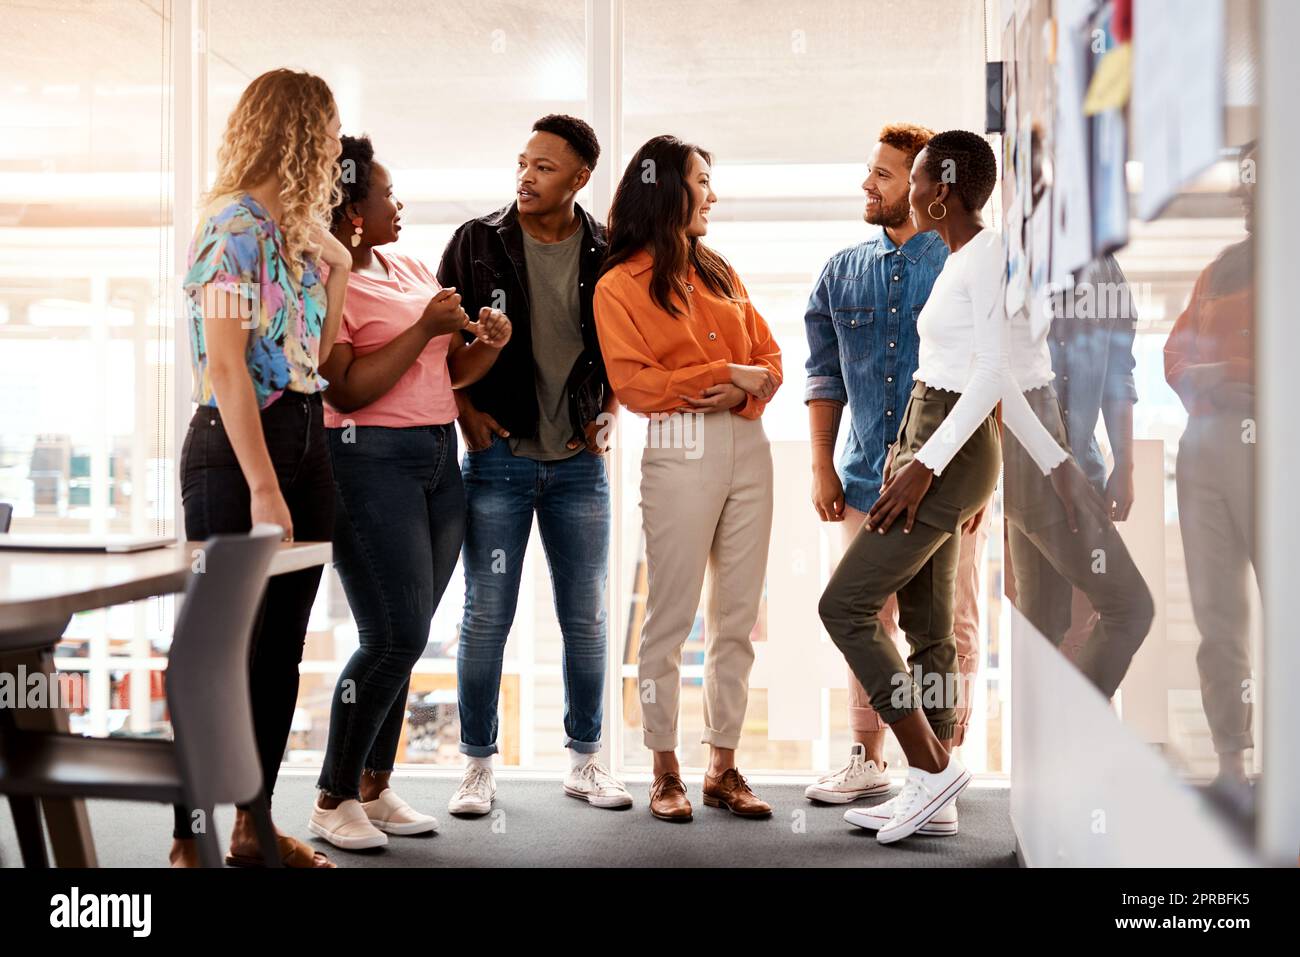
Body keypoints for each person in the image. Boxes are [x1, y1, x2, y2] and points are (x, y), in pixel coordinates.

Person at [819, 130, 1101, 844]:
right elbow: (994, 371)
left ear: (939, 191)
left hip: (949, 443)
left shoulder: (988, 256)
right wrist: (1050, 465)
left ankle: (930, 763)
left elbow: (988, 374)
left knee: (845, 606)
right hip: (932, 433)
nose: (907, 188)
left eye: (913, 177)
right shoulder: (964, 256)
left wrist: (926, 464)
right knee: (929, 626)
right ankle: (930, 794)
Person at [308, 136, 512, 851]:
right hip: (369, 463)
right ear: (352, 211)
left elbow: (447, 373)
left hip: (436, 457)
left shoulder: (409, 265)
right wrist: (425, 324)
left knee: (405, 633)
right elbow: (348, 386)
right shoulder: (329, 279)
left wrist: (485, 342)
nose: (400, 204)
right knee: (395, 635)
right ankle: (332, 795)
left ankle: (373, 781)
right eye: (387, 194)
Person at [173, 69, 349, 868]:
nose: (338, 148)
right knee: (223, 647)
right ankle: (188, 835)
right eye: (330, 131)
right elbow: (228, 367)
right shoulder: (233, 228)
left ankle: (253, 825)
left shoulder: (295, 241)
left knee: (279, 650)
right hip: (239, 451)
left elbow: (316, 358)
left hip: (304, 438)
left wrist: (336, 267)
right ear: (302, 134)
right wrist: (264, 485)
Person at [437, 115, 631, 813]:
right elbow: (439, 342)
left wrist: (607, 408)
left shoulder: (609, 250)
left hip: (579, 462)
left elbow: (620, 345)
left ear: (580, 178)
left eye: (545, 167)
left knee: (586, 616)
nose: (526, 176)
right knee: (487, 613)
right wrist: (466, 416)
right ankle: (477, 765)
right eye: (523, 162)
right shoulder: (475, 243)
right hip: (499, 459)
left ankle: (585, 761)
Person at [803, 123, 991, 812]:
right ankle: (870, 754)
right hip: (861, 475)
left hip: (942, 472)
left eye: (886, 175)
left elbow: (989, 372)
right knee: (864, 612)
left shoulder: (960, 260)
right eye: (874, 172)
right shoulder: (839, 270)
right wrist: (821, 464)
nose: (870, 185)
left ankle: (942, 761)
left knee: (945, 618)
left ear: (925, 188)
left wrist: (979, 478)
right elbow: (822, 375)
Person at [595, 135, 783, 823]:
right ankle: (664, 766)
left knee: (736, 618)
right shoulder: (620, 285)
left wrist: (741, 389)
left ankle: (723, 765)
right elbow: (637, 385)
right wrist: (722, 376)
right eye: (703, 180)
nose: (712, 194)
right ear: (667, 188)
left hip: (748, 443)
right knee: (669, 618)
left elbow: (769, 357)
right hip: (678, 447)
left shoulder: (722, 273)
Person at [1164, 141, 1258, 806]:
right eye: (1246, 188)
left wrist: (1230, 375)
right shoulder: (1220, 270)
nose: (1249, 200)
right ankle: (1233, 761)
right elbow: (1175, 357)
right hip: (1207, 449)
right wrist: (1221, 379)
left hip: (1274, 448)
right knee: (1217, 616)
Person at [1007, 253, 1140, 665]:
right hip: (1026, 475)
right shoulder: (1011, 263)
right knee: (1037, 617)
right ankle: (1044, 724)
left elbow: (1119, 373)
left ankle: (1085, 723)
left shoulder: (1107, 272)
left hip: (1086, 472)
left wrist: (1126, 464)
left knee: (1092, 620)